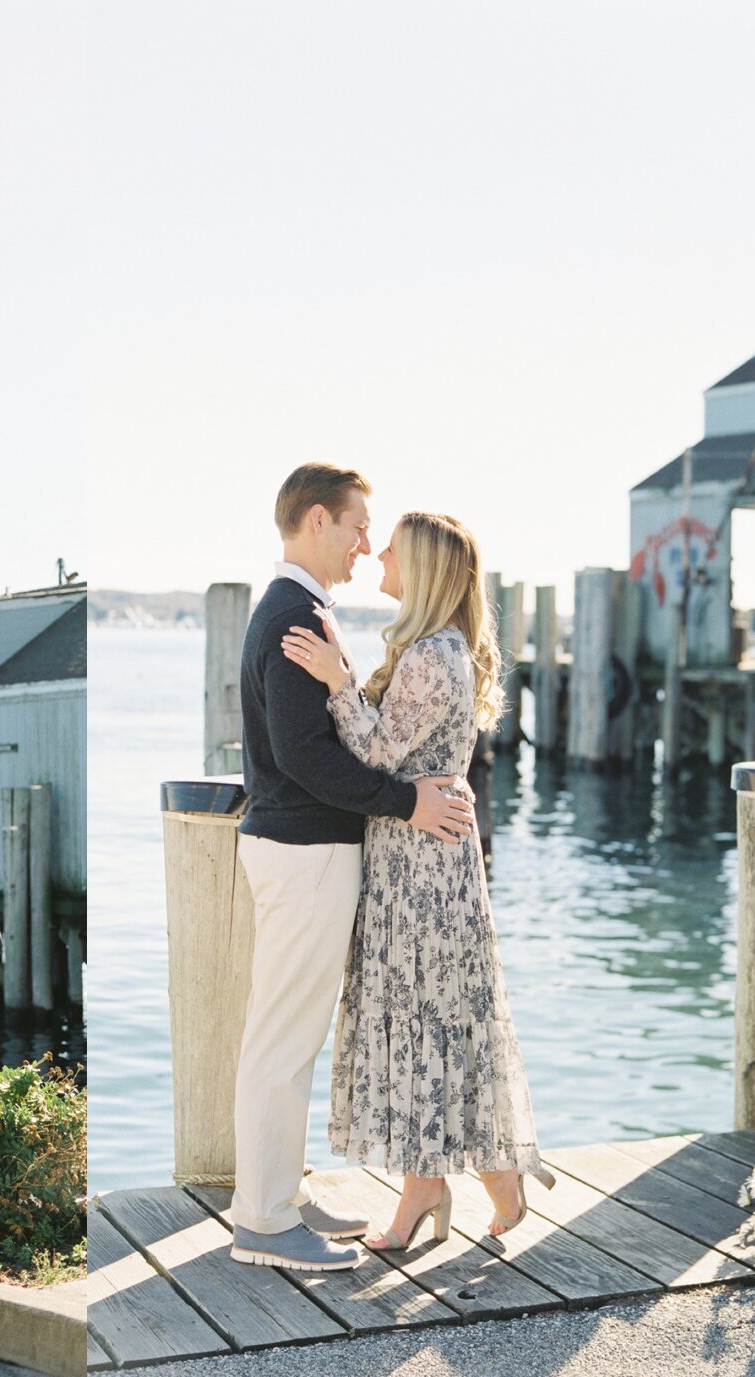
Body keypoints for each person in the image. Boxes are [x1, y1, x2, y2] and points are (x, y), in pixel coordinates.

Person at [227, 464, 476, 1272]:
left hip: (302, 849)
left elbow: (317, 745)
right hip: (301, 852)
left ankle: (279, 1196)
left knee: (290, 1034)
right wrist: (407, 804)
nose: (367, 542)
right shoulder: (294, 614)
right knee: (282, 1038)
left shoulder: (300, 610)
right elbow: (304, 757)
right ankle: (263, 1219)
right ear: (317, 521)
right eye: (358, 525)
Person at [282, 509, 553, 1252]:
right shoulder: (437, 649)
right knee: (431, 1012)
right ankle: (477, 1171)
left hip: (421, 866)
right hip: (419, 855)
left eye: (394, 549)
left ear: (427, 569)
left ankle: (430, 1186)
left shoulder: (435, 655)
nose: (379, 558)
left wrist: (337, 680)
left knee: (419, 1016)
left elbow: (376, 752)